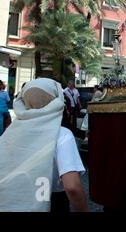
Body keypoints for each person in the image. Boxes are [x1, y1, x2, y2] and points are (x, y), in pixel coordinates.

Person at [0, 78, 88, 212]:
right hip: (51, 201)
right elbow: (72, 187)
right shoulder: (62, 134)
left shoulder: (10, 132)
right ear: (56, 100)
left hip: (12, 200)